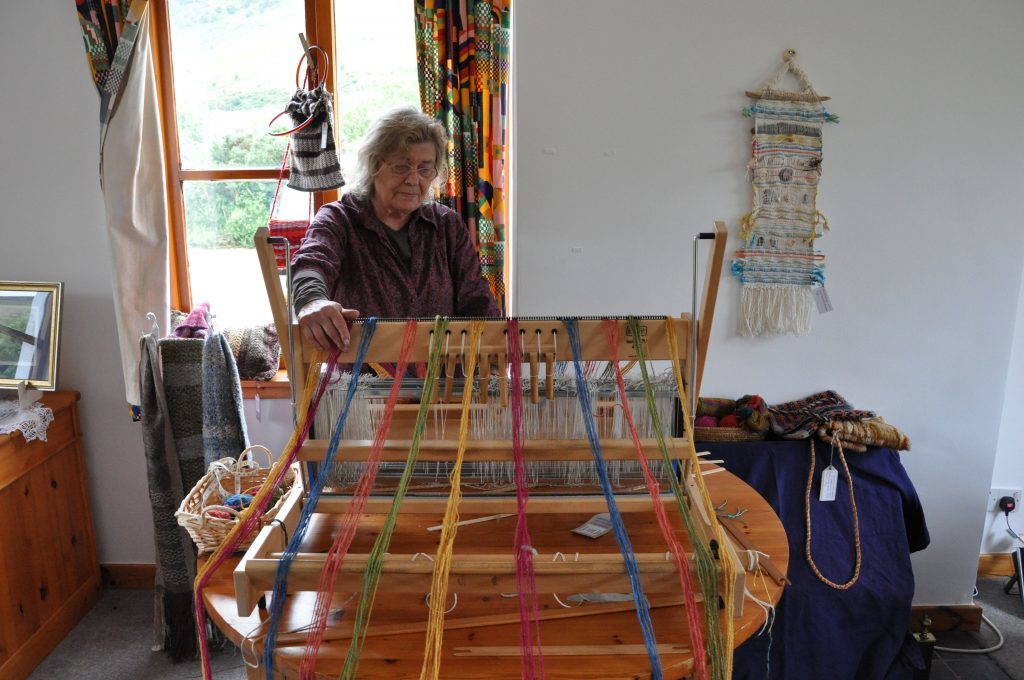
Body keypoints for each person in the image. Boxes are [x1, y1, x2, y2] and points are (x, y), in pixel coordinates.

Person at [290, 106, 501, 352]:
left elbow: (476, 299)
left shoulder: (447, 225)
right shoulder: (339, 219)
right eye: (401, 166)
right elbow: (311, 263)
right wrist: (312, 301)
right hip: (361, 385)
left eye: (425, 169)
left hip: (442, 383)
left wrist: (493, 355)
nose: (414, 180)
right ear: (373, 165)